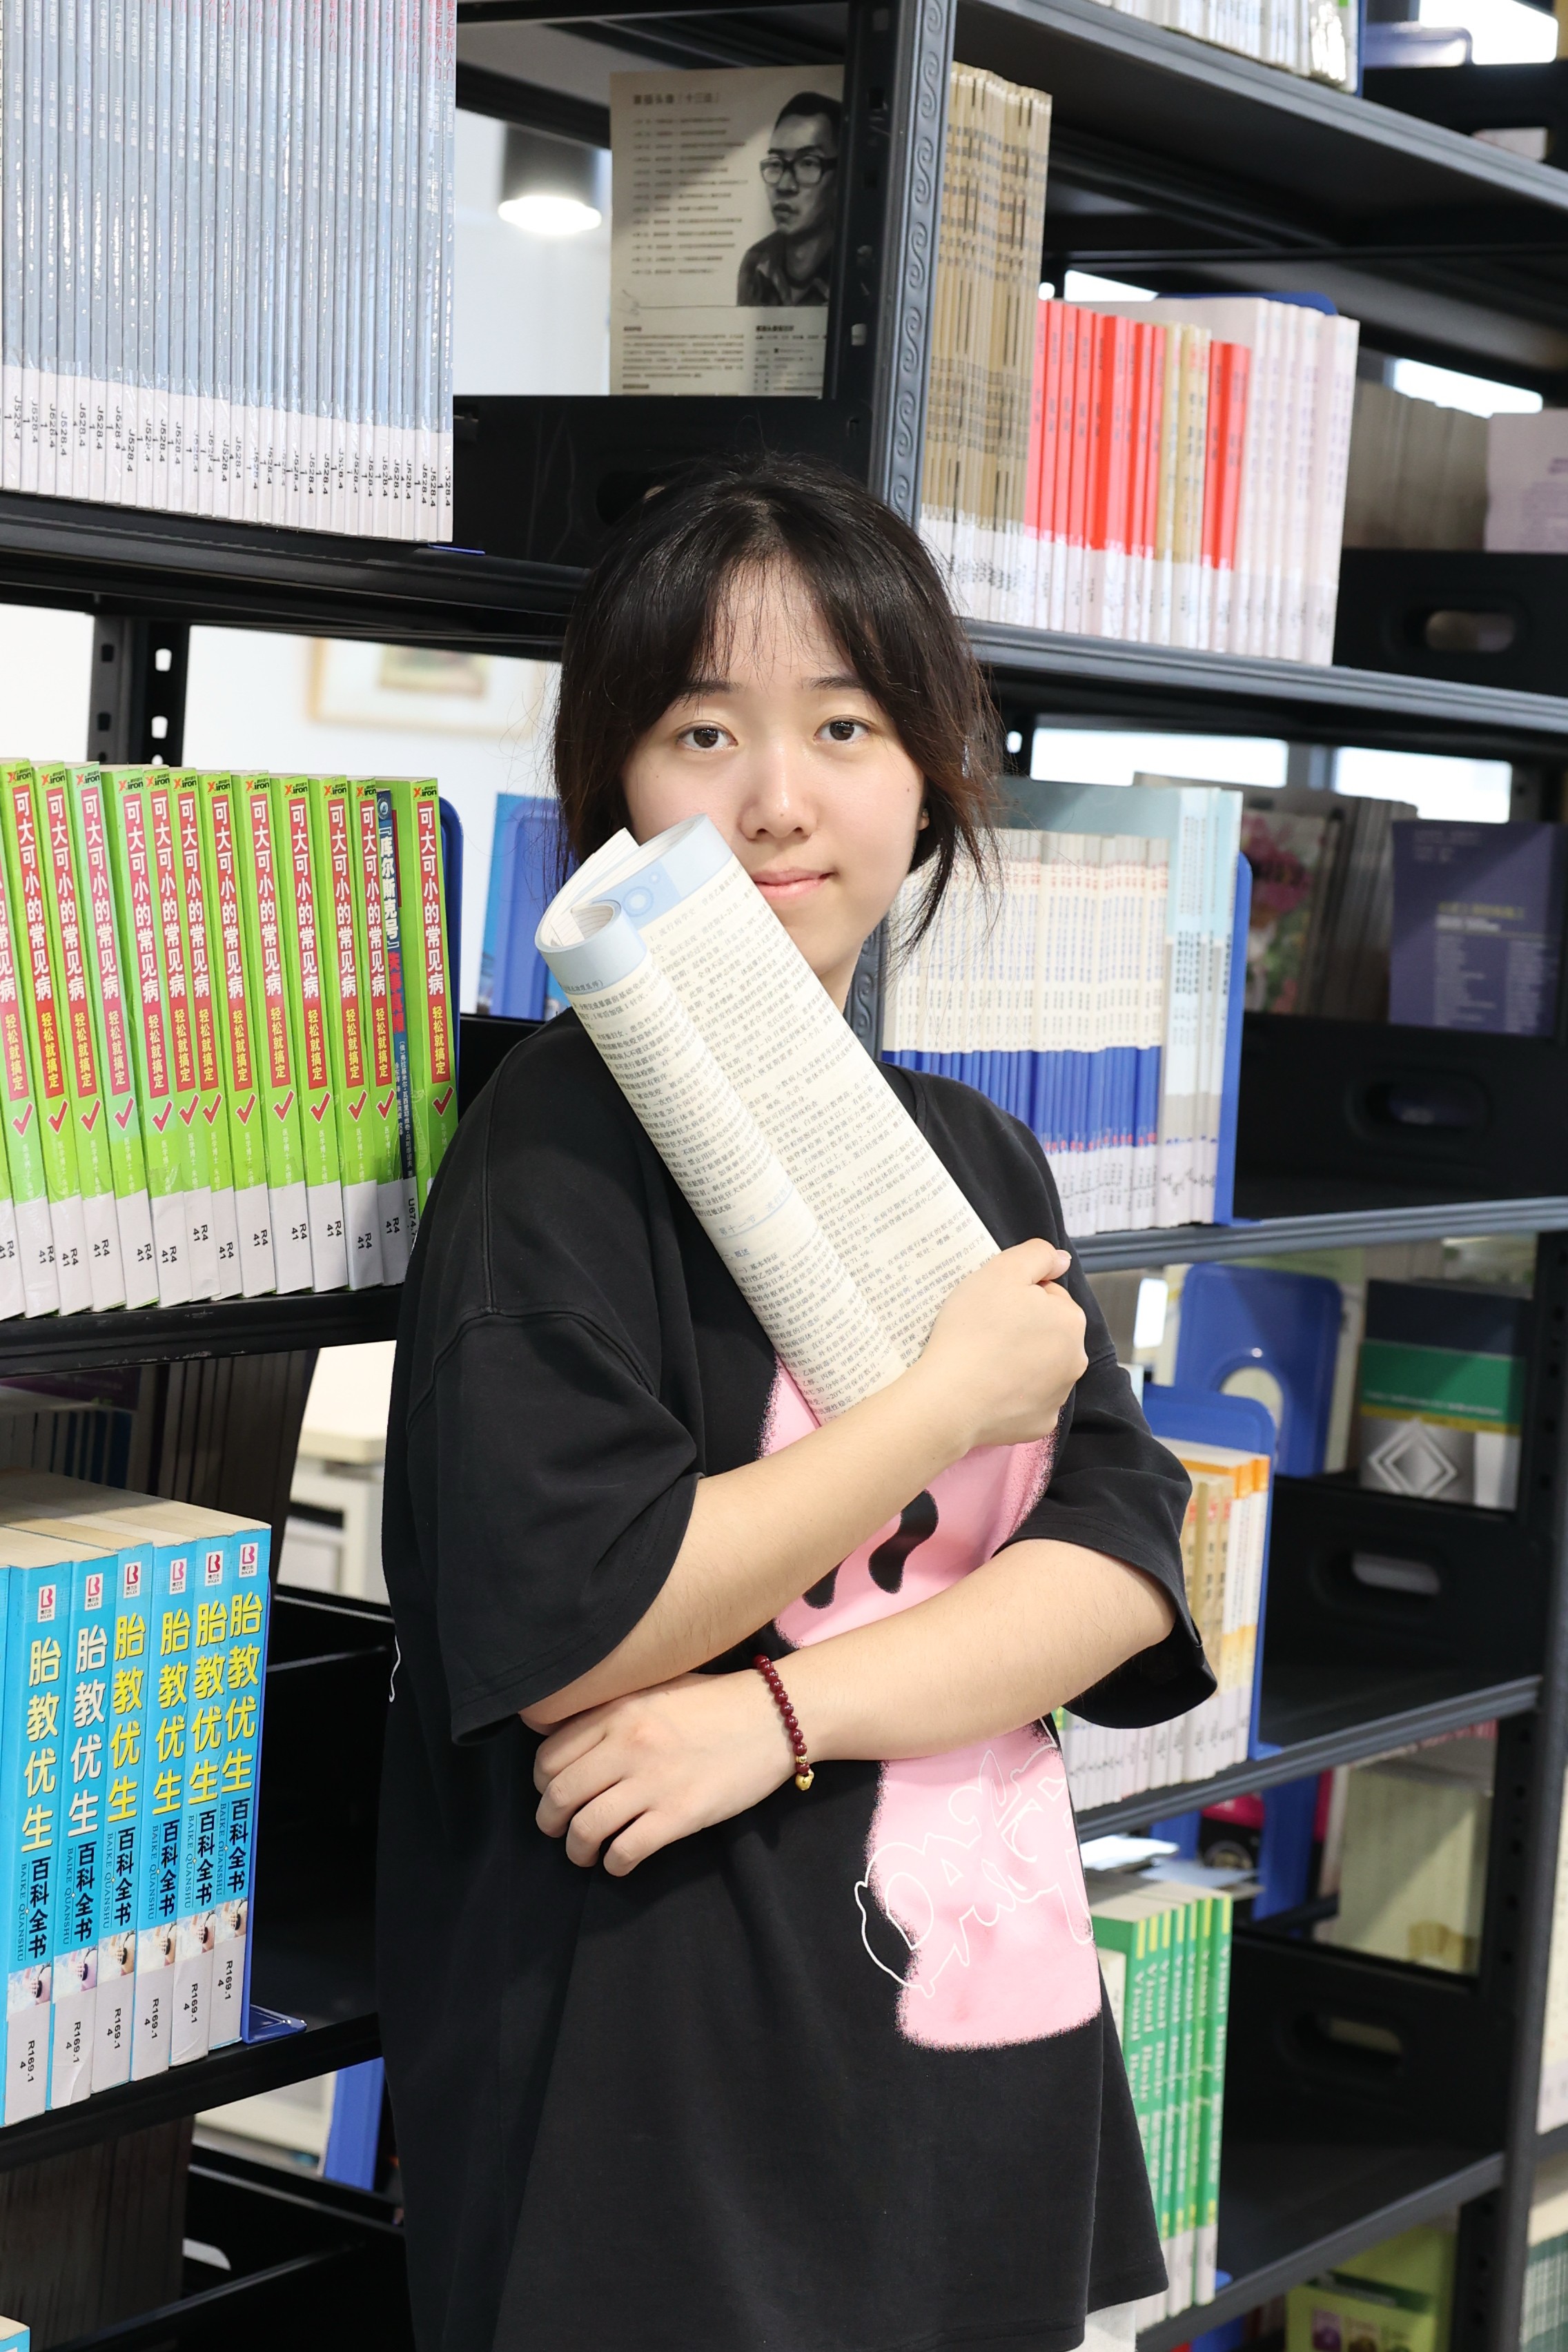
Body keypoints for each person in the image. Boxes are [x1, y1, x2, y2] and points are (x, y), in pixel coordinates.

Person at [377, 453, 1212, 2352]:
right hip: (654, 2095)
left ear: (928, 773)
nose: (775, 798)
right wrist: (939, 1407)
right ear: (614, 786)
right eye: (702, 731)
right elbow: (581, 1614)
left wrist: (776, 1714)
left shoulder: (976, 1151)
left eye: (843, 725)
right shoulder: (552, 1153)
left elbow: (1114, 1574)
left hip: (965, 2045)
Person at [736, 92, 840, 306]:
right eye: (776, 163)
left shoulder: (857, 270)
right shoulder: (757, 261)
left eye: (808, 163)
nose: (784, 186)